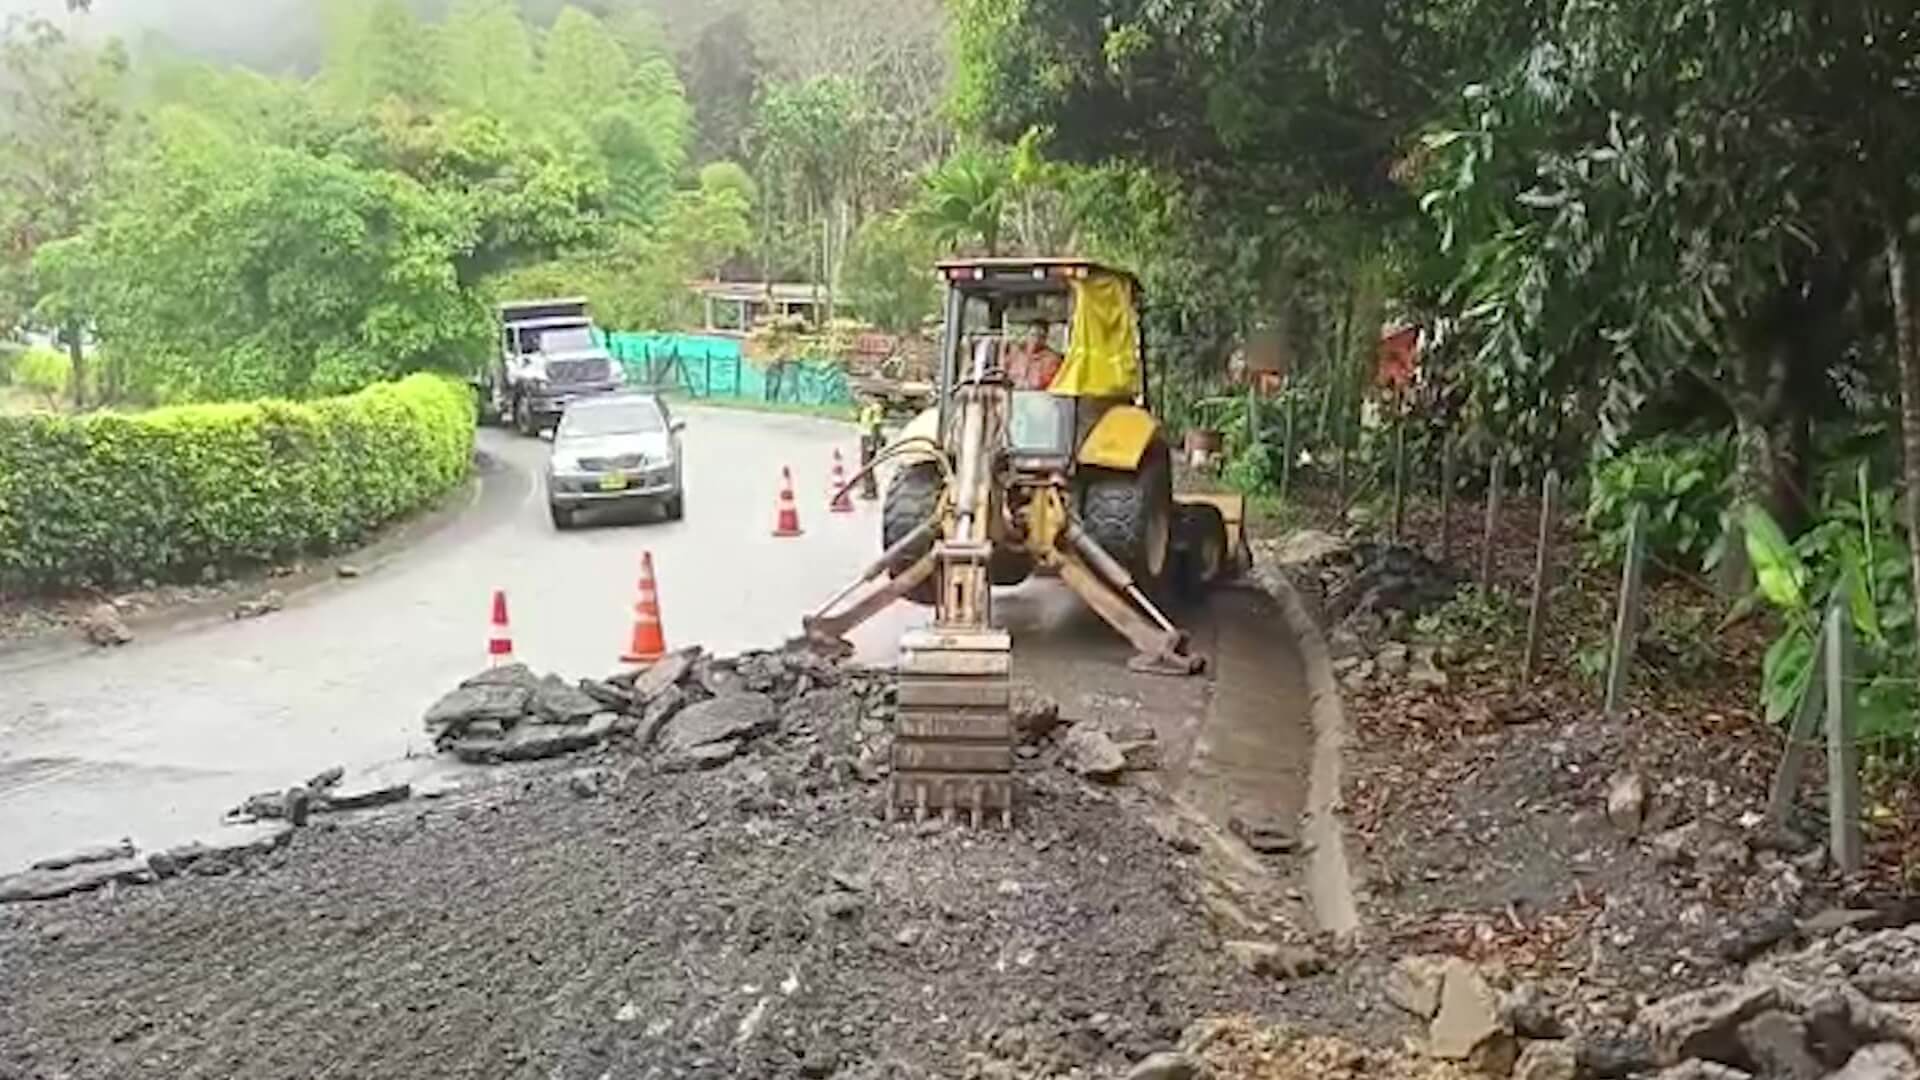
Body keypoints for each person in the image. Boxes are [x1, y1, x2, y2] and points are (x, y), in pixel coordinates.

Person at [1003, 319, 1062, 391]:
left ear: (1046, 338)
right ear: (1027, 335)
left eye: (1041, 337)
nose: (1036, 340)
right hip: (1012, 395)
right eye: (1033, 335)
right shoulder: (1015, 354)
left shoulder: (1052, 360)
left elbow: (1047, 383)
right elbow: (1005, 375)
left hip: (1038, 397)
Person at [856, 394, 885, 500]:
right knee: (865, 466)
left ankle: (870, 491)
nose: (862, 399)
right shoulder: (866, 408)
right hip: (865, 436)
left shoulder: (875, 408)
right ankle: (868, 489)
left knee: (867, 466)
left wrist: (873, 443)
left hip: (869, 438)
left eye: (864, 397)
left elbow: (877, 426)